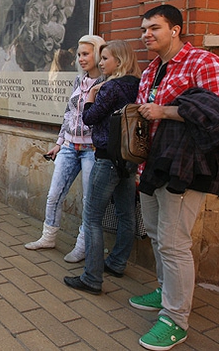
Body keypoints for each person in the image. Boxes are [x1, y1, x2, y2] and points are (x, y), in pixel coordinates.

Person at [128, 5, 219, 351]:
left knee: (174, 244)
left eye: (154, 28)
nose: (147, 34)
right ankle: (166, 290)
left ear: (175, 30)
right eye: (144, 29)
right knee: (158, 235)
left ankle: (175, 320)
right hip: (152, 166)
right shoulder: (151, 70)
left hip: (184, 168)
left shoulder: (203, 62)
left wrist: (166, 111)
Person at [63, 40, 141, 295]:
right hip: (129, 157)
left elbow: (89, 119)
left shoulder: (110, 87)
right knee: (125, 214)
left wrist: (91, 98)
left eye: (105, 58)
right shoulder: (137, 84)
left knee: (92, 216)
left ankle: (92, 277)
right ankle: (117, 262)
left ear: (119, 61)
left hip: (107, 158)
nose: (101, 62)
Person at [24, 35, 105, 263]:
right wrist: (59, 143)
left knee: (88, 201)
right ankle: (48, 237)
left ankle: (82, 246)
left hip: (92, 149)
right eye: (79, 54)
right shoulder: (78, 81)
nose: (81, 59)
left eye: (86, 54)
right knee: (54, 195)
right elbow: (69, 113)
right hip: (69, 146)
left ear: (98, 54)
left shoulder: (106, 83)